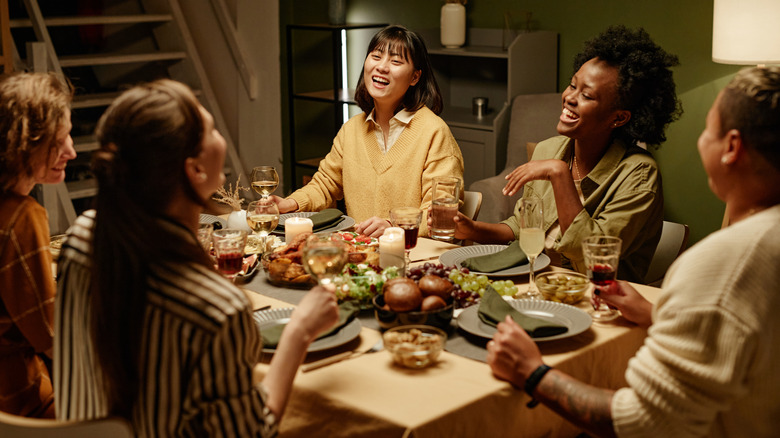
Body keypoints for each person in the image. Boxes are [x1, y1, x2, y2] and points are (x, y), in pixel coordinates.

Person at [487, 66, 780, 437]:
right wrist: (655, 314)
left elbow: (642, 422)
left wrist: (531, 371)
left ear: (732, 148)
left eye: (708, 128)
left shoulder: (722, 265)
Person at [54, 79, 340, 436]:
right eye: (212, 129)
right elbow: (253, 431)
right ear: (196, 170)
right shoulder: (218, 309)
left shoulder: (82, 236)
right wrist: (299, 331)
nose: (219, 135)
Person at [445, 25, 681, 282]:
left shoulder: (639, 174)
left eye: (587, 95)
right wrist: (474, 229)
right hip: (538, 281)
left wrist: (559, 175)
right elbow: (524, 229)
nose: (569, 97)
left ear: (619, 118)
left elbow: (594, 259)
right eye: (572, 85)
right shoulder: (548, 149)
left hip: (598, 294)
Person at [272, 24, 464, 238]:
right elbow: (325, 184)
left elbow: (441, 212)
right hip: (360, 251)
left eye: (396, 61)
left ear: (415, 77)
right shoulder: (351, 129)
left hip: (413, 252)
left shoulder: (434, 132)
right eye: (376, 56)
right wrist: (290, 203)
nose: (382, 67)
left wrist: (393, 226)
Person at [0, 72, 74, 418]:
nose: (71, 151)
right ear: (25, 143)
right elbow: (53, 339)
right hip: (19, 405)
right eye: (59, 141)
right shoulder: (22, 216)